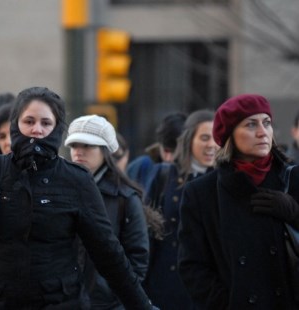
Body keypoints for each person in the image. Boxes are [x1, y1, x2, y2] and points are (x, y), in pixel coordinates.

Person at [0, 87, 158, 310]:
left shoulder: (76, 180)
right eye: (29, 121)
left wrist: (142, 305)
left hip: (60, 301)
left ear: (57, 128)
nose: (36, 130)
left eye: (45, 123)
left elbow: (108, 252)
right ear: (15, 124)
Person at [178, 94, 299, 309]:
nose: (263, 132)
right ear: (229, 135)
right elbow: (192, 266)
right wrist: (226, 303)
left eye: (267, 123)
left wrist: (294, 213)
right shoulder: (201, 192)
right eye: (251, 124)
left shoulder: (293, 179)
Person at [65, 115, 152, 309]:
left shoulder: (125, 198)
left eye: (88, 145)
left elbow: (138, 259)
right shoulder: (59, 189)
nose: (78, 152)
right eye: (74, 145)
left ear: (105, 151)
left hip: (107, 304)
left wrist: (117, 300)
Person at [142, 109, 218, 310]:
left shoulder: (224, 180)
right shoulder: (163, 175)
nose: (211, 144)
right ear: (189, 140)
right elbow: (146, 233)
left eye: (216, 137)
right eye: (204, 138)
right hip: (165, 285)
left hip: (210, 290)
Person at [127, 112, 186, 189]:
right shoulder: (140, 167)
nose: (168, 158)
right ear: (159, 145)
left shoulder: (194, 172)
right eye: (166, 151)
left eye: (174, 152)